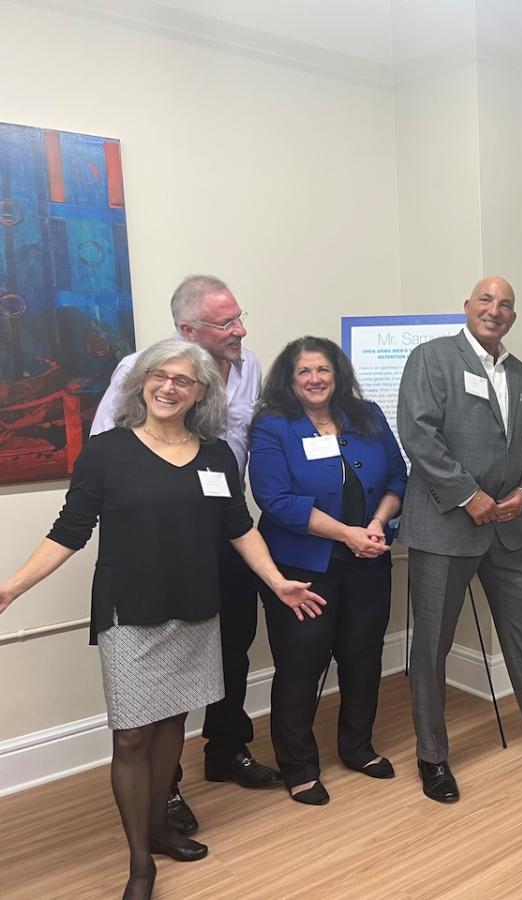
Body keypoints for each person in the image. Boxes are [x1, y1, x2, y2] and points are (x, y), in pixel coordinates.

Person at [0, 339, 325, 900]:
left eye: (184, 380)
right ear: (143, 382)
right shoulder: (107, 451)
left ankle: (157, 827)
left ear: (202, 393)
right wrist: (10, 588)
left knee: (174, 722)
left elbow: (239, 528)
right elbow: (69, 532)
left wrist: (277, 582)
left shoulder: (217, 455)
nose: (169, 387)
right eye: (161, 376)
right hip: (131, 609)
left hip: (197, 607)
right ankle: (139, 864)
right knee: (131, 736)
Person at [396, 275, 522, 803]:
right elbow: (418, 432)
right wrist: (469, 496)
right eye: (486, 300)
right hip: (446, 524)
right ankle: (433, 756)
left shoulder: (520, 372)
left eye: (506, 304)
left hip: (510, 527)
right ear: (467, 307)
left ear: (513, 316)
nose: (495, 309)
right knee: (432, 645)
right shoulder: (433, 357)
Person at [91, 275, 277, 835]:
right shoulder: (142, 371)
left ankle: (225, 748)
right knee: (164, 657)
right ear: (187, 329)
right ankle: (163, 789)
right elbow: (105, 452)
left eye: (239, 317)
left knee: (235, 642)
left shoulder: (249, 367)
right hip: (167, 539)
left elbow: (237, 451)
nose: (240, 330)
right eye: (226, 324)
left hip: (228, 530)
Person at [249, 337, 407, 804]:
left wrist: (377, 525)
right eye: (304, 372)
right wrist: (348, 534)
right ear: (289, 379)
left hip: (368, 559)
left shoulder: (368, 414)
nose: (315, 379)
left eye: (323, 370)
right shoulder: (273, 425)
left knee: (363, 656)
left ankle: (358, 747)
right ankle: (298, 766)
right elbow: (275, 500)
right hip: (302, 568)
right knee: (301, 665)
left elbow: (398, 476)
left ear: (337, 375)